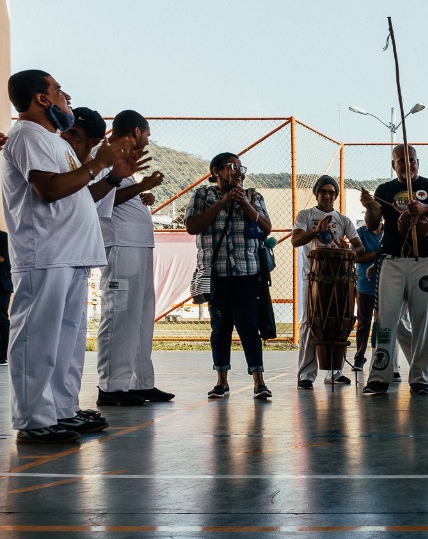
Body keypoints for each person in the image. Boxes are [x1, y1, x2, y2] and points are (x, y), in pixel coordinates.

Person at [3, 70, 132, 441]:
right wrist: (99, 164)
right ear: (42, 99)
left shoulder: (51, 141)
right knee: (37, 339)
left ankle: (60, 409)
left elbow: (76, 193)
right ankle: (33, 420)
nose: (66, 97)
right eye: (59, 91)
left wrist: (99, 168)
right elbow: (47, 189)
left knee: (66, 341)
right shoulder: (28, 134)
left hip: (68, 252)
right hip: (44, 251)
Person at [360, 145, 428, 396]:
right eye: (401, 161)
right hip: (391, 260)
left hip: (422, 260)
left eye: (411, 160)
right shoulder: (384, 190)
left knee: (422, 320)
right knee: (386, 320)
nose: (407, 164)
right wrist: (370, 207)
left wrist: (425, 209)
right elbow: (372, 224)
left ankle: (420, 378)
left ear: (417, 162)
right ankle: (380, 376)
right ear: (394, 165)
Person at [94, 110, 172, 406]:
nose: (147, 141)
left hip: (139, 245)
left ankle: (139, 382)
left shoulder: (123, 159)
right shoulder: (102, 155)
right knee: (120, 315)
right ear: (136, 131)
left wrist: (141, 195)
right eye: (147, 135)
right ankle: (111, 386)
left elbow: (119, 196)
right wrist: (142, 186)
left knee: (140, 317)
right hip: (120, 245)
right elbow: (101, 198)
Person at [185, 152, 273, 400]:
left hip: (248, 272)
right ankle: (221, 382)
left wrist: (244, 202)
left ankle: (259, 382)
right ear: (216, 172)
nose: (237, 171)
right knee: (220, 328)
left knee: (249, 327)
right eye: (231, 167)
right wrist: (223, 202)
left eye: (240, 167)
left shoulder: (253, 196)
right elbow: (192, 226)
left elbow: (266, 228)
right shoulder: (203, 195)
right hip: (216, 273)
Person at [292, 175, 359, 389]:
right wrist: (315, 230)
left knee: (340, 321)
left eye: (332, 192)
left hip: (340, 280)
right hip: (312, 278)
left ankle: (335, 372)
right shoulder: (306, 215)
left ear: (336, 195)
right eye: (324, 191)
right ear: (316, 193)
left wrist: (345, 248)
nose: (328, 195)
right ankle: (306, 374)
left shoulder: (344, 220)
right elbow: (296, 240)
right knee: (309, 322)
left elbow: (359, 249)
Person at [351, 219, 382, 370]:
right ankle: (359, 357)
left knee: (383, 323)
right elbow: (356, 257)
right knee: (363, 322)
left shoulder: (388, 232)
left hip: (386, 283)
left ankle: (381, 357)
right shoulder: (360, 233)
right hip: (365, 283)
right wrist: (377, 254)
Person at [0, 228, 11, 366]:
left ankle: (3, 355)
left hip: (2, 284)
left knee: (1, 317)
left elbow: (1, 258)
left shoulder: (3, 237)